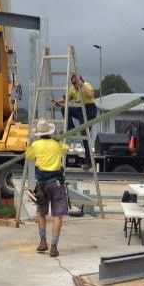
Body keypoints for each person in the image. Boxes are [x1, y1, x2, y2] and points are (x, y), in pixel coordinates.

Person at [25, 118, 69, 257]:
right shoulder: (57, 144)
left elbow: (29, 156)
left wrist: (29, 145)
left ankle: (43, 241)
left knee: (42, 214)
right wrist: (57, 141)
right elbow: (67, 149)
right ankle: (54, 247)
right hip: (56, 183)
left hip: (42, 185)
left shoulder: (36, 145)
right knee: (57, 216)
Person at [55, 73, 97, 169]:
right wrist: (58, 102)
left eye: (76, 82)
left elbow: (91, 95)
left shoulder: (86, 85)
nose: (74, 85)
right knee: (64, 108)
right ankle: (71, 129)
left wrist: (82, 85)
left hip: (89, 111)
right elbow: (66, 98)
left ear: (80, 81)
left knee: (84, 135)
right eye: (73, 83)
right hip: (80, 110)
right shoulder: (73, 89)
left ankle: (88, 162)